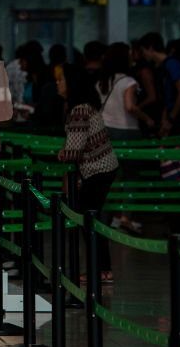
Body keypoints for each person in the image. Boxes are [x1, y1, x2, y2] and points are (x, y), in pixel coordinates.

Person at [59, 70, 119, 283]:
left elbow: (74, 150)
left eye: (61, 79)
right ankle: (102, 269)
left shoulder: (79, 110)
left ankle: (100, 270)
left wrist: (63, 153)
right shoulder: (84, 107)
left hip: (97, 170)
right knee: (92, 218)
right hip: (102, 168)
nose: (58, 84)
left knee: (89, 220)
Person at [138, 32, 180, 138]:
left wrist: (171, 118)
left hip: (178, 116)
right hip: (171, 115)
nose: (143, 54)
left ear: (151, 48)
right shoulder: (163, 67)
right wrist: (165, 118)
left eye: (143, 51)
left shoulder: (172, 64)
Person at [98, 42, 155, 140]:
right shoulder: (128, 82)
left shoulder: (102, 82)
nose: (132, 58)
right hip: (125, 129)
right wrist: (147, 119)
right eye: (130, 55)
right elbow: (130, 107)